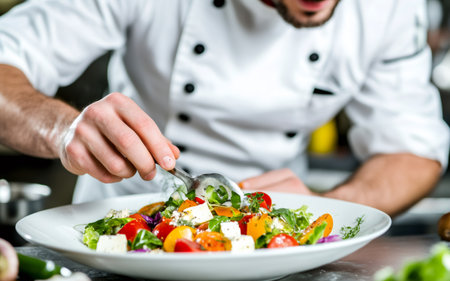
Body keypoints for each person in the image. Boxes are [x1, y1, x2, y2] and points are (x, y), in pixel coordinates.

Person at [0, 0, 448, 217]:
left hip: (276, 248)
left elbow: (411, 148)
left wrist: (325, 209)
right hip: (123, 226)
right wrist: (63, 129)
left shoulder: (389, 8)